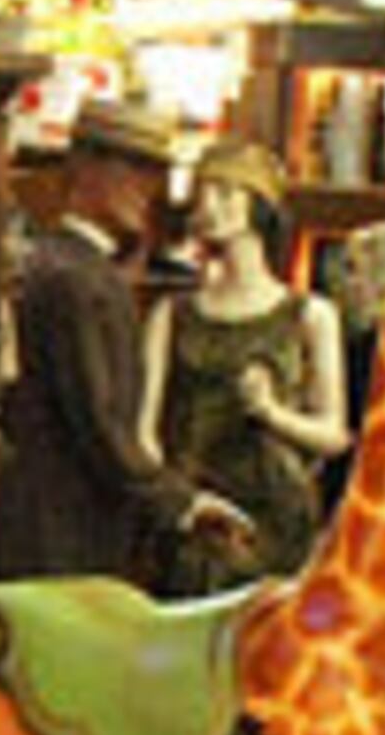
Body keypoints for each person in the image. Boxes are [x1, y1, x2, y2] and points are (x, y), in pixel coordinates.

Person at [0, 91, 252, 582]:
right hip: (63, 541)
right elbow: (102, 426)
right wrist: (184, 505)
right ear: (86, 168)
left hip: (46, 532)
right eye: (134, 169)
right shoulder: (79, 280)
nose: (149, 189)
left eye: (155, 173)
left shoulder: (55, 265)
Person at [136, 136, 348, 591]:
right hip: (199, 515)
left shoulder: (309, 315)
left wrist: (272, 412)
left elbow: (334, 435)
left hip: (278, 517)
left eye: (227, 193)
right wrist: (179, 502)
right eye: (203, 193)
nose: (210, 206)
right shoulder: (173, 314)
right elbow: (144, 437)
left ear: (258, 205)